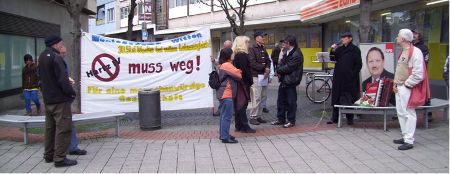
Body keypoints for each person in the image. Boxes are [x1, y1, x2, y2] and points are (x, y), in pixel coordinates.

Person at [39, 35, 77, 167]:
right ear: (55, 44)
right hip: (60, 100)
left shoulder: (42, 57)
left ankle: (48, 154)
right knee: (64, 128)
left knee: (50, 128)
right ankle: (60, 158)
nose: (62, 45)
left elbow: (40, 79)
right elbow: (63, 80)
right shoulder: (56, 58)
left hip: (48, 99)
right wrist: (72, 93)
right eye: (60, 43)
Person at [392, 29, 429, 150]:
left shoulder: (415, 52)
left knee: (409, 113)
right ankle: (405, 135)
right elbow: (401, 69)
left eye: (398, 36)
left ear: (403, 39)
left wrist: (407, 84)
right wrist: (395, 83)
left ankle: (409, 140)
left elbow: (419, 73)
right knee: (401, 113)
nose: (396, 38)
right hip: (400, 86)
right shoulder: (403, 51)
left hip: (407, 87)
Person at [327, 32, 362, 125]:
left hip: (349, 79)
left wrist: (353, 74)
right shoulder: (340, 49)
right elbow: (333, 59)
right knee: (336, 97)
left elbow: (359, 64)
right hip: (339, 77)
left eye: (345, 37)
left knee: (348, 98)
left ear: (350, 38)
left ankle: (349, 118)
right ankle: (334, 117)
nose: (343, 39)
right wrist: (333, 50)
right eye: (342, 37)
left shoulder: (355, 50)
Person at [58, 46, 87, 156]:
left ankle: (72, 147)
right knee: (61, 124)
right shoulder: (55, 62)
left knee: (68, 123)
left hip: (64, 97)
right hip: (59, 98)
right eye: (62, 53)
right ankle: (61, 150)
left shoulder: (62, 62)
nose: (64, 55)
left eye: (65, 52)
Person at [271, 36, 304, 128]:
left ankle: (291, 120)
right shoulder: (286, 52)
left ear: (289, 43)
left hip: (291, 80)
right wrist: (278, 70)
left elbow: (289, 67)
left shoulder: (296, 54)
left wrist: (279, 71)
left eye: (284, 43)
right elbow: (281, 63)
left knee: (291, 101)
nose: (283, 44)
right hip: (284, 80)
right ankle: (280, 119)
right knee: (281, 100)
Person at [217, 48, 242, 143]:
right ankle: (225, 136)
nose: (233, 55)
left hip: (224, 93)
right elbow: (239, 75)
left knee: (223, 115)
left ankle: (223, 134)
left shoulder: (224, 65)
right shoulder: (227, 65)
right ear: (228, 55)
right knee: (226, 116)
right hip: (226, 93)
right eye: (232, 53)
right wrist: (238, 70)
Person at [231, 36, 256, 133]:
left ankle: (239, 125)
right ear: (242, 44)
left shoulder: (236, 55)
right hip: (243, 83)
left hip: (239, 83)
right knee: (242, 104)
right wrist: (250, 82)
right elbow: (245, 71)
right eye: (246, 42)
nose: (248, 44)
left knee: (239, 104)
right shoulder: (242, 55)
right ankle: (245, 126)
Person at [248, 31, 271, 125]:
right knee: (256, 97)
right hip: (256, 76)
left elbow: (268, 60)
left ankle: (258, 115)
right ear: (257, 38)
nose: (264, 38)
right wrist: (264, 68)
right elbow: (252, 63)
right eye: (262, 37)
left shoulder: (263, 48)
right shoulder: (252, 49)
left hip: (263, 76)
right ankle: (253, 116)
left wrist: (268, 68)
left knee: (263, 96)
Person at [412, 29, 432, 121]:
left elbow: (424, 63)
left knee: (424, 93)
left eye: (415, 33)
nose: (413, 35)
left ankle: (428, 113)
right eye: (412, 33)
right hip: (411, 74)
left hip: (420, 74)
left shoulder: (423, 48)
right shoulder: (410, 46)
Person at [211, 40, 233, 117]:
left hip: (230, 74)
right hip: (222, 75)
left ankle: (229, 110)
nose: (225, 48)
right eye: (224, 46)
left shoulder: (233, 52)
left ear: (230, 46)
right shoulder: (221, 51)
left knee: (229, 94)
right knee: (222, 94)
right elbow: (219, 61)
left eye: (227, 47)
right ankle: (221, 110)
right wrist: (214, 60)